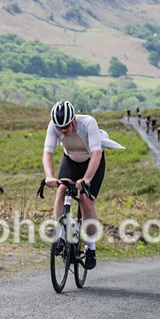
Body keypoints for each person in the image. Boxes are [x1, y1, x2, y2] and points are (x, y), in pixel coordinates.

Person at [42, 100, 124, 270]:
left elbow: (96, 154)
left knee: (86, 200)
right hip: (70, 160)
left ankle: (91, 247)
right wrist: (49, 176)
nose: (63, 131)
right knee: (61, 189)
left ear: (73, 120)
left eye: (66, 127)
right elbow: (48, 153)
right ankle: (61, 236)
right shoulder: (54, 126)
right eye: (60, 128)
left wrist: (86, 179)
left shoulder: (88, 123)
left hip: (92, 162)